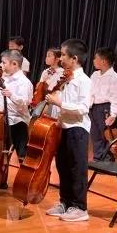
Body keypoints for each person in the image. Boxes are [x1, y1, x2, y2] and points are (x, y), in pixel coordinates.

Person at [44, 39, 93, 222]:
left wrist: (59, 102)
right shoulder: (65, 78)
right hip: (63, 126)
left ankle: (80, 208)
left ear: (74, 59)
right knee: (62, 166)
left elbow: (83, 108)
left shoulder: (84, 81)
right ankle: (65, 202)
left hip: (77, 129)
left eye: (64, 55)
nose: (61, 58)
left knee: (76, 168)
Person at [0, 49, 34, 164]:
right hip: (3, 119)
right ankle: (2, 172)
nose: (1, 65)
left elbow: (25, 102)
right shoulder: (5, 78)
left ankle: (23, 174)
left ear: (14, 64)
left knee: (22, 154)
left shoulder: (24, 82)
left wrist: (11, 95)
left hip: (17, 121)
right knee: (3, 151)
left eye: (4, 62)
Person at [89, 47, 117, 162]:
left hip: (105, 109)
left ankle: (107, 160)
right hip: (93, 108)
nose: (93, 60)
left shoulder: (116, 79)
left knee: (106, 135)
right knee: (95, 136)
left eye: (96, 58)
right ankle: (97, 159)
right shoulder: (95, 75)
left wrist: (113, 114)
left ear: (103, 61)